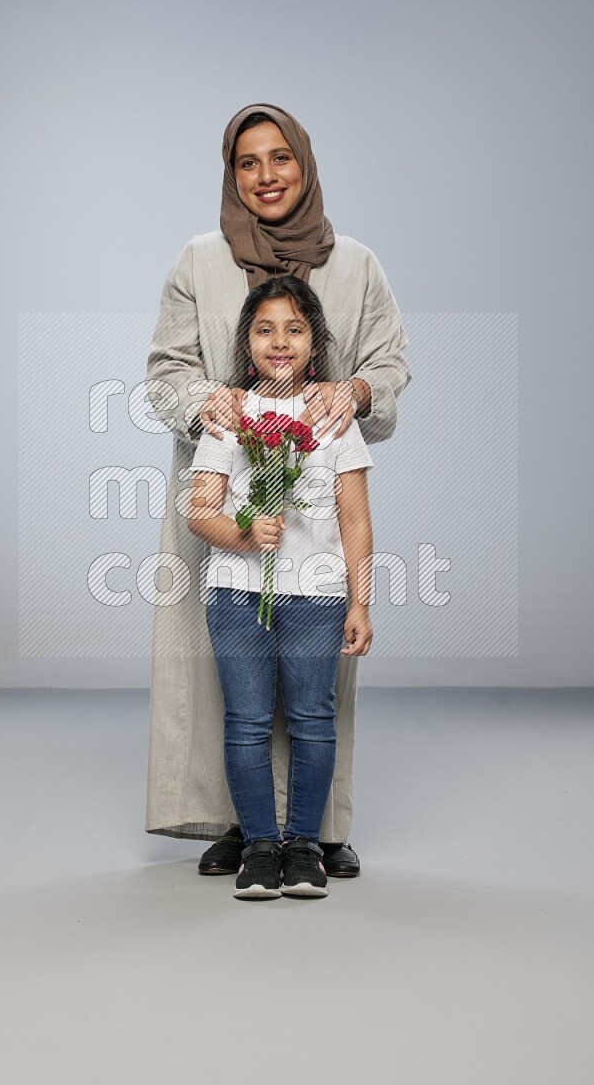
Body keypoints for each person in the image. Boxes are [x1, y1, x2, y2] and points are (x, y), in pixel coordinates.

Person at [145, 102, 411, 877]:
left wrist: (356, 390)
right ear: (231, 176)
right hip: (226, 499)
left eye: (280, 158)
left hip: (321, 512)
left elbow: (392, 363)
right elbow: (166, 371)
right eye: (247, 163)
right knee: (228, 671)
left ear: (306, 163)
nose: (266, 176)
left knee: (315, 683)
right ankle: (242, 825)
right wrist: (205, 402)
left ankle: (318, 831)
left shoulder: (357, 264)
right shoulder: (199, 259)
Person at [187, 275, 374, 899]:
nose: (280, 342)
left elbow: (354, 518)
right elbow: (200, 510)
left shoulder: (332, 419)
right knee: (245, 720)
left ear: (313, 344)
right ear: (247, 343)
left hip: (317, 595)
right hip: (239, 595)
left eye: (294, 329)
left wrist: (360, 601)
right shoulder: (229, 415)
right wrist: (243, 532)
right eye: (265, 329)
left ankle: (303, 847)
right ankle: (260, 847)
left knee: (313, 718)